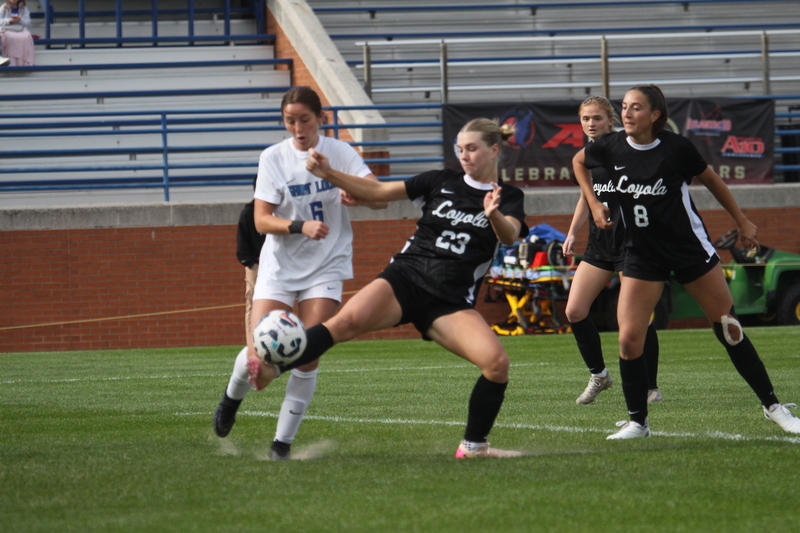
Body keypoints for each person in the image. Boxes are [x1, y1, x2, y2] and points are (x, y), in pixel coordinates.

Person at [247, 118, 529, 458]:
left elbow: (509, 235)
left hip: (449, 301)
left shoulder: (509, 197)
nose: (464, 156)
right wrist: (328, 173)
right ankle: (272, 368)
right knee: (343, 323)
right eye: (460, 149)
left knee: (496, 363)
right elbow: (379, 192)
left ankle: (474, 447)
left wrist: (493, 214)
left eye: (472, 149)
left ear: (494, 150)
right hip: (405, 278)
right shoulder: (440, 180)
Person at [573, 84, 800, 439]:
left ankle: (774, 407)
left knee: (729, 329)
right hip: (641, 254)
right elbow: (578, 162)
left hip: (688, 250)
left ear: (655, 115)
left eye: (636, 107)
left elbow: (712, 180)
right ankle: (638, 423)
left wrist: (741, 221)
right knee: (629, 339)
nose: (627, 112)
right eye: (624, 106)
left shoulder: (676, 148)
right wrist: (593, 202)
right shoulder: (610, 145)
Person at [213, 87, 386, 460]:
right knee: (260, 356)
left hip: (327, 265)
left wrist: (355, 193)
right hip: (280, 265)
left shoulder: (340, 152)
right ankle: (230, 399)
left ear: (320, 118)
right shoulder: (273, 157)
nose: (297, 128)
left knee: (308, 353)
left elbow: (379, 197)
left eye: (304, 119)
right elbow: (261, 220)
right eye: (290, 121)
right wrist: (298, 226)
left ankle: (282, 445)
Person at [563, 96, 661, 405]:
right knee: (574, 311)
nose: (591, 124)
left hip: (631, 244)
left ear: (610, 120)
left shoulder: (626, 148)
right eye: (585, 119)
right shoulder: (587, 155)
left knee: (636, 318)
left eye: (597, 118)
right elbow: (587, 196)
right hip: (599, 244)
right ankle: (600, 375)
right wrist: (572, 232)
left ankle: (650, 387)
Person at [236, 176, 266, 353]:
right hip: (256, 266)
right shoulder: (248, 213)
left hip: (276, 265)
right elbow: (242, 248)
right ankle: (252, 346)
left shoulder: (277, 211)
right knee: (252, 305)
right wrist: (252, 264)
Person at [0, 0, 35, 67]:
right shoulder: (3, 8)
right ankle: (11, 62)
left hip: (19, 28)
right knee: (8, 37)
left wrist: (20, 20)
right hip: (7, 28)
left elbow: (27, 22)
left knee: (26, 37)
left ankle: (23, 62)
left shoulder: (24, 8)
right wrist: (9, 20)